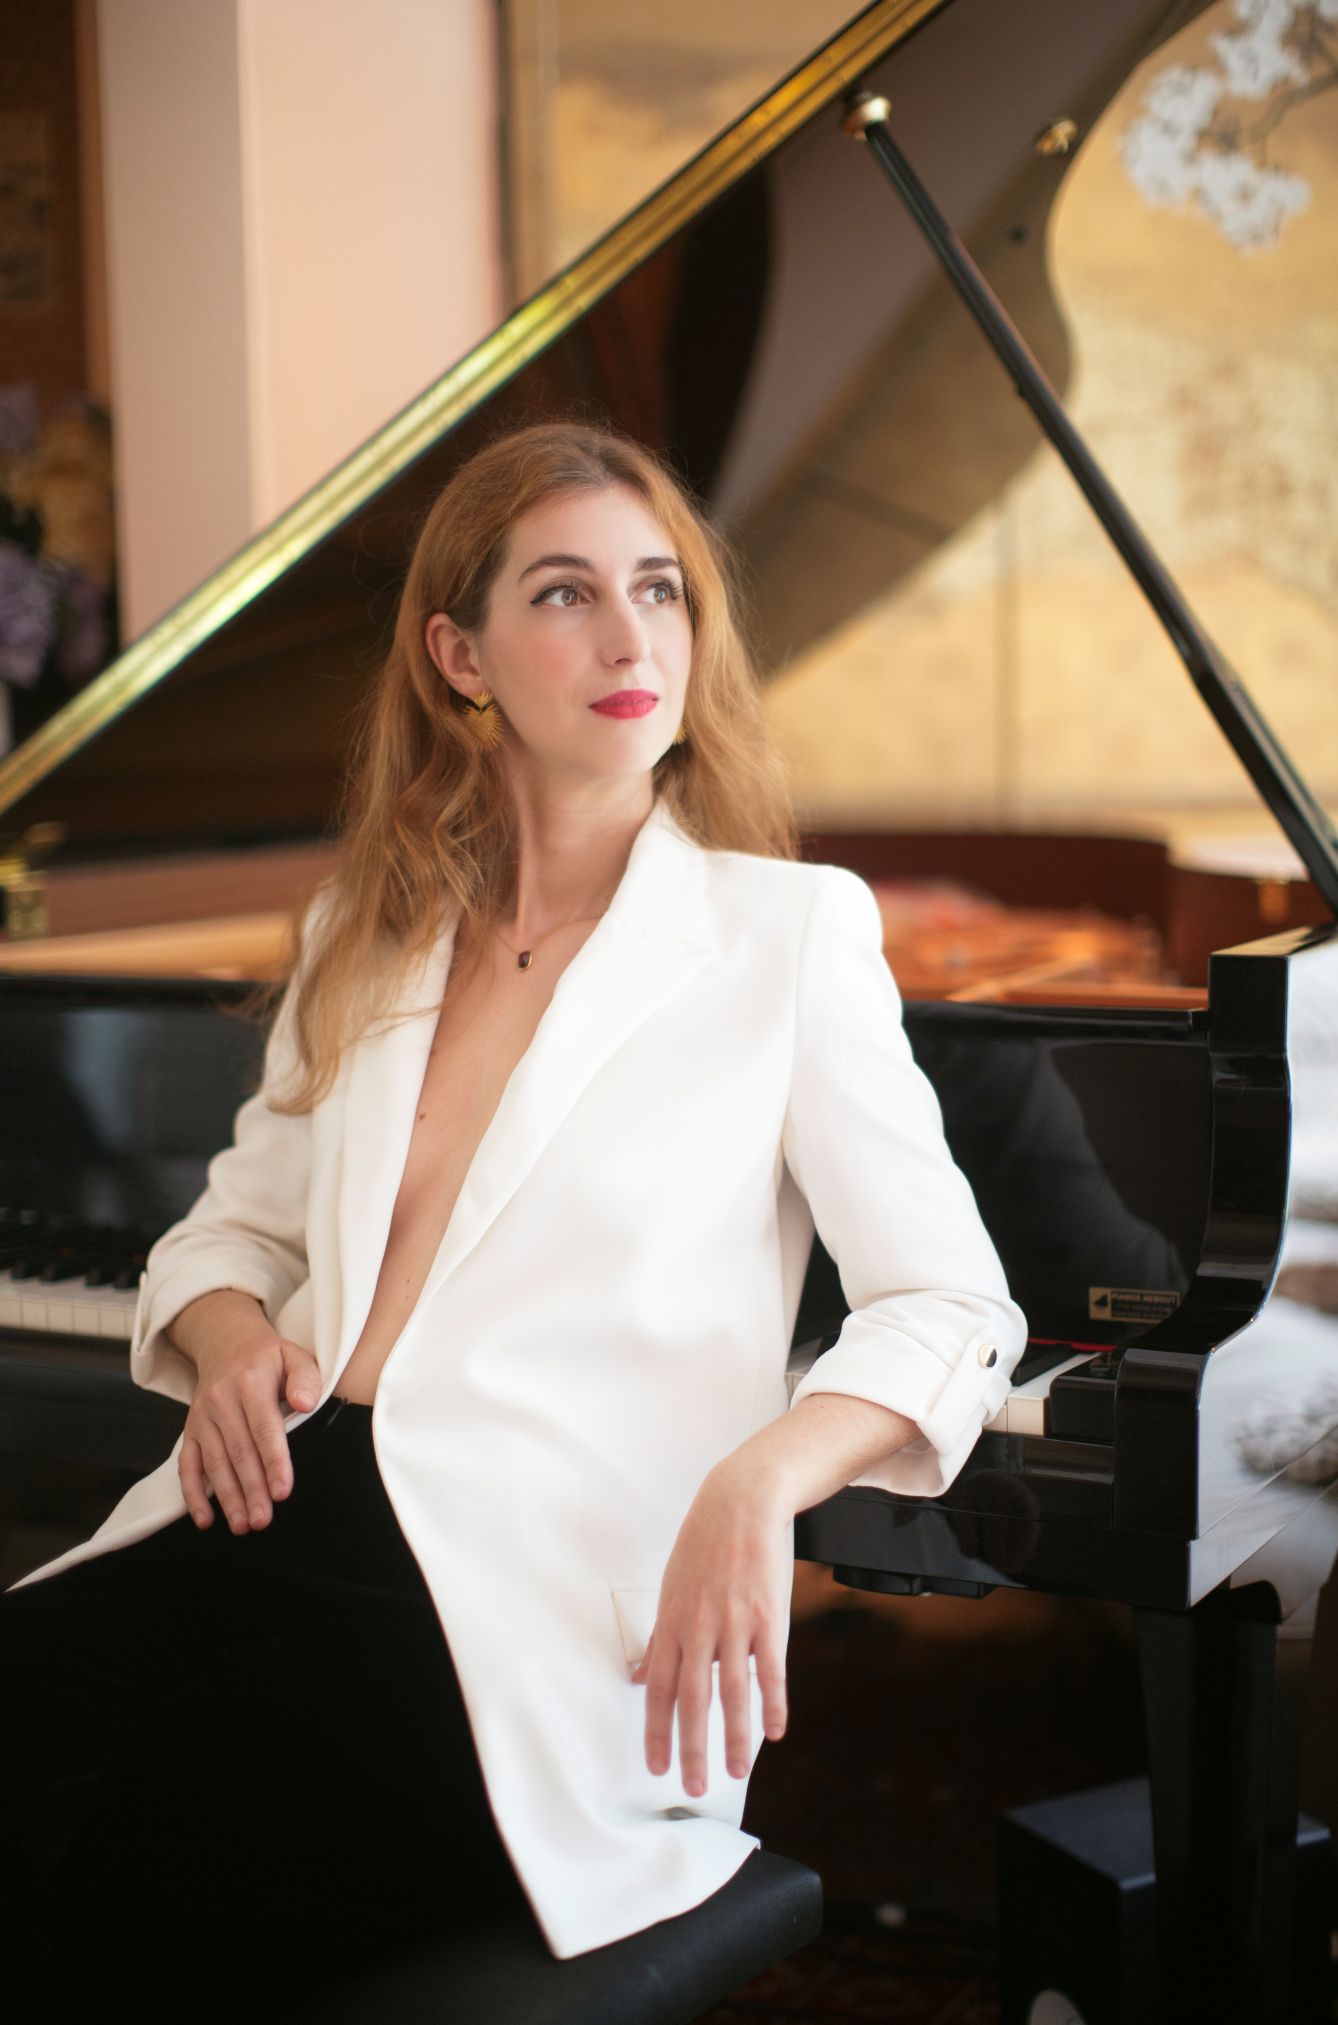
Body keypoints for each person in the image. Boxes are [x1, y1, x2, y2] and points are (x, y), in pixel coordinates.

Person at [1, 418, 1027, 2018]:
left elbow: (951, 1304)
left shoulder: (786, 935)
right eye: (564, 593)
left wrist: (759, 1478)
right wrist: (227, 1339)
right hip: (264, 1519)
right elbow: (226, 1236)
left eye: (659, 589)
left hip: (519, 1620)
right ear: (458, 655)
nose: (630, 638)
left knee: (152, 1834)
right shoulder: (365, 928)